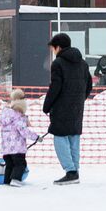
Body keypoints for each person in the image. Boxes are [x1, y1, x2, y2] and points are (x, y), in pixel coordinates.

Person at [42, 33, 92, 185]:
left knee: (60, 138)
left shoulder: (58, 63)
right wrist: (79, 99)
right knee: (73, 137)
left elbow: (55, 87)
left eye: (53, 48)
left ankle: (70, 171)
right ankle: (74, 170)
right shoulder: (83, 63)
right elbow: (89, 85)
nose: (53, 51)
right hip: (77, 107)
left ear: (59, 47)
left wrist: (47, 105)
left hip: (61, 107)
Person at [0, 88, 38, 186]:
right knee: (21, 164)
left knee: (10, 165)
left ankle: (7, 181)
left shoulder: (6, 115)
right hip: (17, 148)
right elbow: (24, 131)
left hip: (6, 148)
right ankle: (16, 180)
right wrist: (36, 137)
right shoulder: (18, 116)